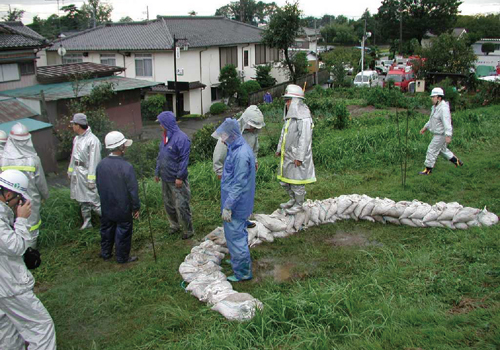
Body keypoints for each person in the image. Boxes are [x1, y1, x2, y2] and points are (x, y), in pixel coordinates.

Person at [0, 170, 56, 350]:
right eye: (18, 198)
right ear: (8, 195)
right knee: (41, 327)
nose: (20, 203)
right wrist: (22, 220)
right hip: (10, 285)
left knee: (8, 328)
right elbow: (14, 247)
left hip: (3, 285)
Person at [212, 118, 255, 282]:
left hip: (237, 203)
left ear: (231, 134)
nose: (221, 139)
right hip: (234, 200)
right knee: (237, 235)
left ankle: (243, 272)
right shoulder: (234, 148)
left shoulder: (241, 154)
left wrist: (228, 206)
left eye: (223, 135)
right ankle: (238, 261)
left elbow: (238, 184)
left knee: (236, 237)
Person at [1, 123, 49, 248]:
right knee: (32, 226)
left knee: (12, 225)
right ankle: (30, 253)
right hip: (30, 201)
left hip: (9, 201)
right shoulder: (33, 159)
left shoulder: (3, 159)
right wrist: (45, 196)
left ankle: (19, 251)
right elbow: (41, 183)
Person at [96, 131, 140, 264]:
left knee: (107, 228)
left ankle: (106, 253)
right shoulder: (126, 167)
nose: (125, 147)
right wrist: (136, 207)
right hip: (122, 206)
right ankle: (122, 257)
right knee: (123, 230)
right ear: (120, 148)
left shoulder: (101, 165)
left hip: (106, 205)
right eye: (124, 145)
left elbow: (98, 185)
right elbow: (133, 190)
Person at [275, 84, 316, 215]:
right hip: (287, 155)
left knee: (297, 182)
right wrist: (279, 149)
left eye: (288, 100)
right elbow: (284, 134)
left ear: (296, 101)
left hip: (296, 156)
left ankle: (299, 204)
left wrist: (299, 157)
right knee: (284, 180)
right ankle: (293, 199)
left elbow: (305, 138)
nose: (286, 103)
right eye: (286, 100)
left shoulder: (303, 118)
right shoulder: (290, 118)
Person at [155, 111, 194, 240]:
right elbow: (161, 156)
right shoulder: (165, 137)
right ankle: (174, 225)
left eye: (161, 123)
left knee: (181, 205)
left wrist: (180, 177)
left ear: (167, 123)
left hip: (177, 179)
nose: (160, 125)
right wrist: (157, 172)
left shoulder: (181, 138)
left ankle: (188, 229)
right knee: (168, 203)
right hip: (165, 177)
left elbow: (184, 159)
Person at [68, 113, 102, 229]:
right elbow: (73, 156)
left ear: (79, 125)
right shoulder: (76, 139)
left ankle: (108, 220)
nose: (72, 126)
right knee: (82, 200)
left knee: (94, 200)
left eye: (74, 124)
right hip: (78, 174)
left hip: (87, 173)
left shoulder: (93, 140)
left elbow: (94, 160)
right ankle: (87, 222)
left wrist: (91, 179)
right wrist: (71, 170)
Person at [419, 87, 463, 175]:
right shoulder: (435, 107)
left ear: (439, 98)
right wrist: (425, 127)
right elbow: (432, 120)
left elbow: (447, 122)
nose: (432, 99)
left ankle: (428, 169)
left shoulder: (443, 108)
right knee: (442, 150)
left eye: (433, 97)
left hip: (441, 134)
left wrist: (448, 135)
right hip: (438, 134)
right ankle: (457, 162)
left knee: (431, 150)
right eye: (432, 97)